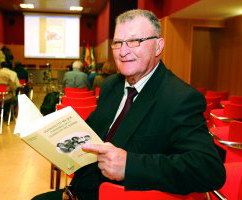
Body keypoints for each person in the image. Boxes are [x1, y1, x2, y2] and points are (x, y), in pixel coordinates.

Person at [32, 9, 225, 200]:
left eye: (135, 41)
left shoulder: (180, 98)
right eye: (117, 43)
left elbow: (209, 169)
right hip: (80, 189)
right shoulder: (111, 85)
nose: (123, 52)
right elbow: (93, 133)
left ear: (158, 46)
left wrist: (130, 166)